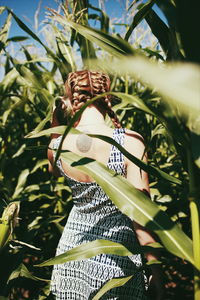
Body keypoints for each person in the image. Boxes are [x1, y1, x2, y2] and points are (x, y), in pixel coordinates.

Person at [48, 70, 164, 300]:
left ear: (69, 100)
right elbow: (141, 214)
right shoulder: (130, 142)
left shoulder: (57, 144)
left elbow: (52, 169)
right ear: (108, 98)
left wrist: (56, 119)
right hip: (116, 257)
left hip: (72, 250)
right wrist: (156, 271)